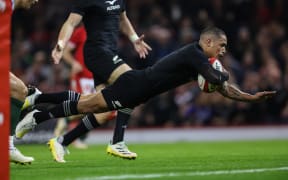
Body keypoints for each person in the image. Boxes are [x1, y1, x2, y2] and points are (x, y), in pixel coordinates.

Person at [16, 27, 276, 163]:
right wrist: (225, 75)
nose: (223, 51)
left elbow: (222, 87)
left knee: (87, 105)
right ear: (208, 42)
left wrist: (250, 98)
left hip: (140, 90)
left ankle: (40, 103)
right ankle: (39, 113)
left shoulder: (202, 61)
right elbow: (217, 80)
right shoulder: (195, 54)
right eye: (222, 46)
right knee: (86, 106)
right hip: (135, 85)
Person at [50, 0, 151, 159]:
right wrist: (61, 44)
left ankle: (62, 140)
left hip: (109, 52)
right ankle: (117, 142)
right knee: (133, 84)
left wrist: (134, 39)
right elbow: (70, 23)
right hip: (97, 53)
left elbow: (123, 20)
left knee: (106, 112)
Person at [2, 0, 41, 165]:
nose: (36, 0)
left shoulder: (8, 7)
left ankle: (7, 147)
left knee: (20, 91)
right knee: (19, 90)